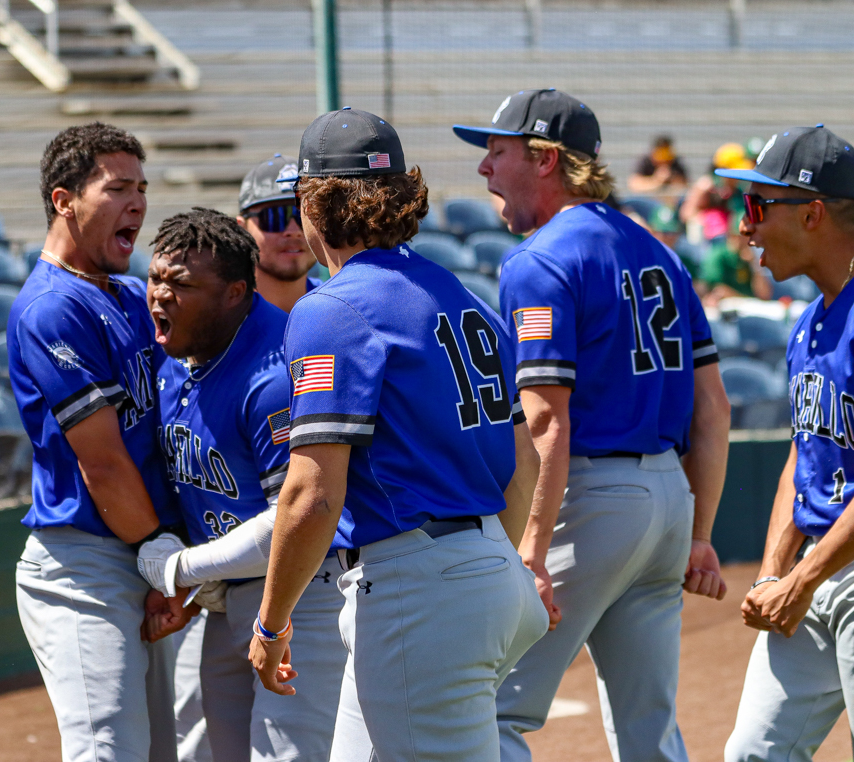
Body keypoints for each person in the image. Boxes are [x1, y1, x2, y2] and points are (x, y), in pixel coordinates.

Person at [249, 107, 548, 760]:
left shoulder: (329, 309)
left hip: (420, 595)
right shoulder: (461, 295)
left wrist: (271, 623)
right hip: (485, 572)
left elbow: (313, 493)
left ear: (314, 201)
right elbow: (523, 462)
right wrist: (491, 565)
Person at [453, 88, 732, 762]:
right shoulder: (658, 249)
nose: (484, 169)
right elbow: (714, 407)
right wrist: (698, 534)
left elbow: (548, 422)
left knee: (486, 710)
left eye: (497, 150)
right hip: (668, 503)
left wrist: (532, 550)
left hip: (591, 499)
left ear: (545, 159)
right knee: (649, 731)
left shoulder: (541, 259)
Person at [137, 208, 349, 761]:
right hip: (227, 599)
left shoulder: (275, 374)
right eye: (156, 278)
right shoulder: (179, 356)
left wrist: (181, 569)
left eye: (181, 284)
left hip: (303, 596)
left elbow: (293, 516)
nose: (160, 296)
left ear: (235, 292)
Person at [8, 122, 190, 762]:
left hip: (143, 550)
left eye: (142, 188)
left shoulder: (130, 295)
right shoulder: (52, 307)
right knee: (107, 748)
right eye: (117, 188)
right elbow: (103, 463)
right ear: (64, 201)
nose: (138, 203)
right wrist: (159, 555)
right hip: (85, 563)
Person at [718, 125, 854, 762]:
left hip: (836, 568)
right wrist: (776, 569)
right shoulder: (812, 319)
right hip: (817, 566)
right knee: (752, 754)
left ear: (814, 212)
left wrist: (802, 576)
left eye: (757, 207)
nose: (745, 228)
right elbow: (802, 453)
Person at [236, 155, 323, 313]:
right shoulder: (222, 320)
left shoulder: (343, 308)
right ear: (242, 229)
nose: (293, 231)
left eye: (306, 216)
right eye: (274, 217)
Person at [682, 142, 753, 243]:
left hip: (733, 237)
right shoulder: (706, 185)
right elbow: (687, 213)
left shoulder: (739, 189)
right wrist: (706, 220)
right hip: (708, 239)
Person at [700, 214, 773, 305]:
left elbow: (764, 295)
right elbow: (718, 290)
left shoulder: (750, 256)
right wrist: (747, 301)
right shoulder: (718, 255)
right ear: (731, 235)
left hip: (750, 308)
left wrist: (755, 266)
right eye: (743, 235)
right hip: (728, 309)